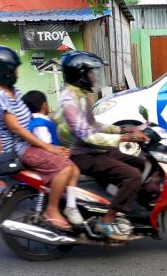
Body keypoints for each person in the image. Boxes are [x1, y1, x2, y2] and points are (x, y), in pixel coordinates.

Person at [0, 45, 83, 229]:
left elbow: (28, 119)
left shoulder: (14, 91)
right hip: (19, 149)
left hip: (28, 144)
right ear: (4, 72)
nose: (18, 71)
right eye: (15, 68)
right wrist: (48, 147)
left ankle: (70, 206)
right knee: (65, 168)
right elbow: (17, 129)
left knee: (73, 166)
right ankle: (52, 210)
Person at [54, 51, 149, 241]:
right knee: (133, 176)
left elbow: (94, 124)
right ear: (80, 74)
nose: (95, 76)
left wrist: (123, 129)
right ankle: (106, 220)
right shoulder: (69, 101)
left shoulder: (79, 96)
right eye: (91, 72)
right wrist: (123, 139)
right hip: (81, 155)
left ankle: (127, 201)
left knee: (140, 161)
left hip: (92, 149)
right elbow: (86, 134)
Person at [22, 90, 84, 224]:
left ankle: (69, 204)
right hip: (51, 153)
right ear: (44, 105)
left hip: (53, 151)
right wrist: (62, 152)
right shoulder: (40, 123)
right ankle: (69, 206)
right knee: (73, 171)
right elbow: (46, 143)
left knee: (75, 171)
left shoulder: (36, 120)